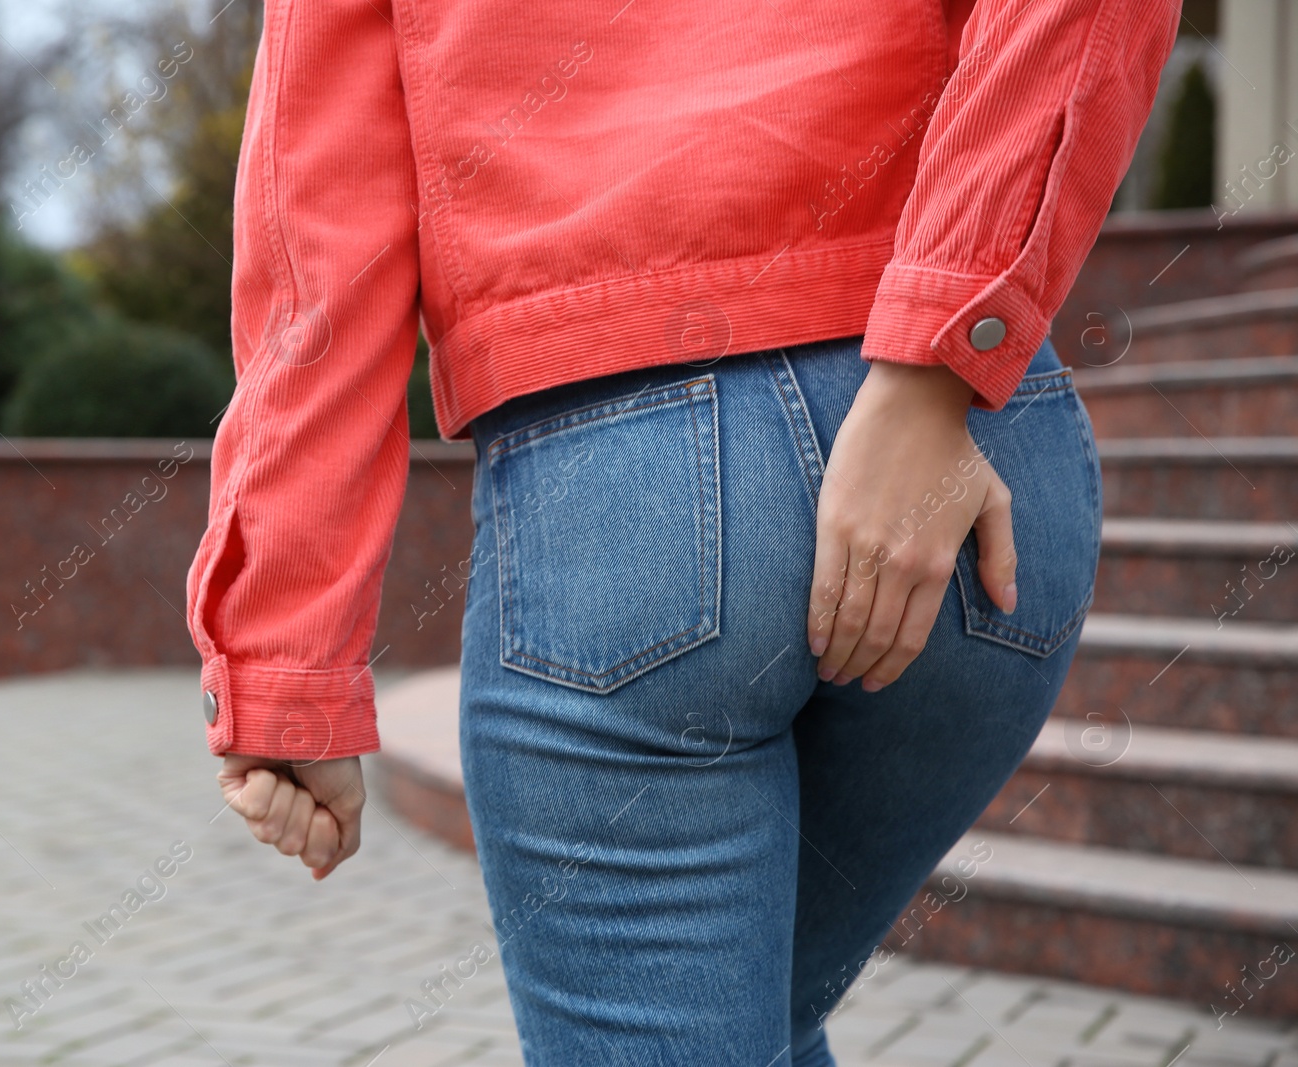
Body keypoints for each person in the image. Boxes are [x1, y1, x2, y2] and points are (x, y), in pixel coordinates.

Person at [189, 0, 1179, 1060]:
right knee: (765, 1022)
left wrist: (284, 654)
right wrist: (939, 352)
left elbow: (321, 237)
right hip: (972, 467)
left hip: (629, 493)